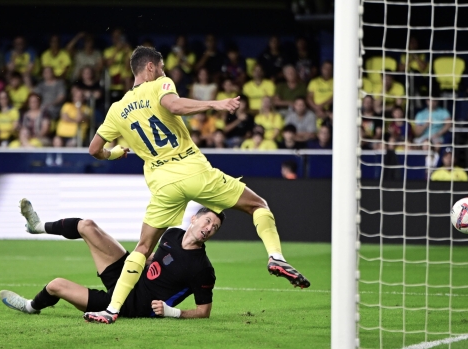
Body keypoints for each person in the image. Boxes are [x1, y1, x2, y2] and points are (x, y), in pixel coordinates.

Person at [84, 46, 310, 324]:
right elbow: (174, 105)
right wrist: (215, 104)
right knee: (257, 205)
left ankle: (111, 310)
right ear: (151, 68)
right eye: (163, 66)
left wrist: (114, 153)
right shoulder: (160, 85)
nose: (165, 71)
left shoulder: (116, 110)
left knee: (142, 248)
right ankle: (275, 256)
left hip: (163, 184)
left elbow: (95, 149)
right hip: (193, 171)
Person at [0, 199, 222, 320]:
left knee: (56, 285)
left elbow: (204, 312)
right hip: (127, 276)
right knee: (87, 225)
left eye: (215, 227)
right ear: (194, 218)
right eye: (208, 221)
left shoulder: (202, 268)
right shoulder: (172, 233)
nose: (209, 228)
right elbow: (153, 259)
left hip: (130, 305)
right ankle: (37, 227)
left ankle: (30, 307)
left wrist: (173, 312)